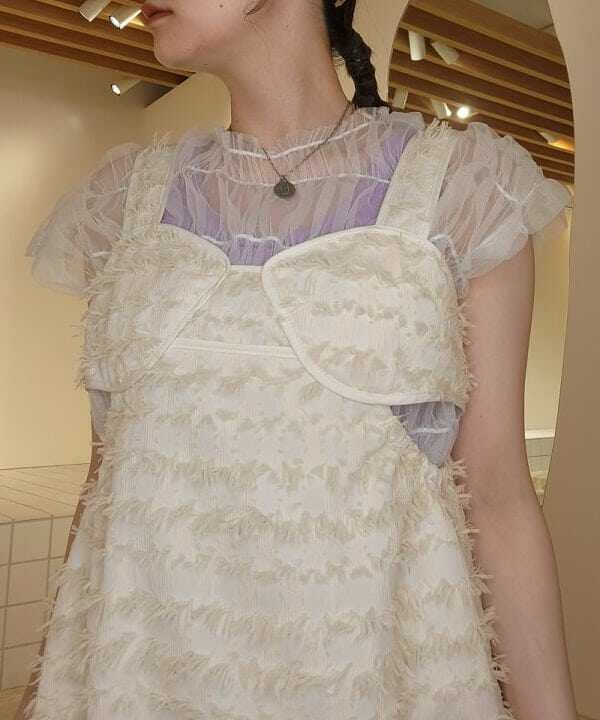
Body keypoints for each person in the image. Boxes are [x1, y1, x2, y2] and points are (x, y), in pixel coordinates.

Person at [18, 1, 577, 718]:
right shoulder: (120, 203)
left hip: (371, 682)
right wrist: (41, 690)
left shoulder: (464, 189)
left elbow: (495, 496)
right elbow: (106, 487)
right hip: (138, 683)